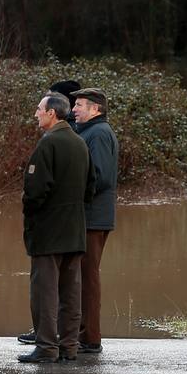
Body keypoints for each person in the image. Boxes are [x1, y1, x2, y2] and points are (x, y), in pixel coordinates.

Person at [19, 92, 92, 364]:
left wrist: (30, 212)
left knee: (45, 292)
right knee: (71, 293)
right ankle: (69, 346)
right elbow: (91, 187)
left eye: (39, 109)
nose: (36, 114)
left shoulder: (48, 144)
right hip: (75, 231)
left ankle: (47, 347)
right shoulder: (80, 143)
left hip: (49, 232)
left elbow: (35, 191)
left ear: (52, 113)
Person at [71, 88, 119, 354]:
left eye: (79, 105)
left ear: (95, 109)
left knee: (88, 278)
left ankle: (90, 338)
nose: (74, 109)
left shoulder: (99, 133)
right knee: (81, 276)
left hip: (93, 218)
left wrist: (73, 194)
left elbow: (100, 178)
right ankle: (80, 333)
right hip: (89, 216)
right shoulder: (88, 132)